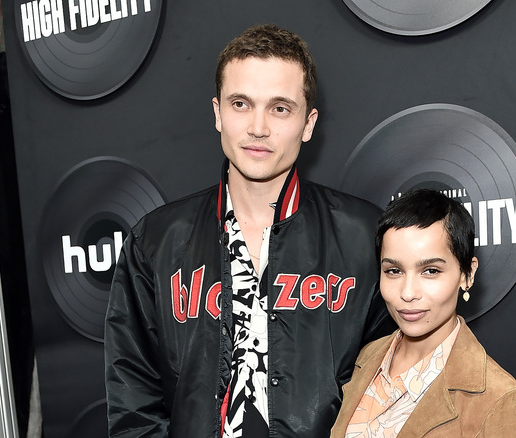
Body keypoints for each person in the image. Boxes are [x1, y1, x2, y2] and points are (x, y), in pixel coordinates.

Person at [104, 24, 394, 437]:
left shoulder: (366, 236)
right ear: (218, 113)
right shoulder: (155, 241)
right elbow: (134, 402)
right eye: (241, 104)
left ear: (308, 124)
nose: (258, 127)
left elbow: (395, 389)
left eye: (280, 108)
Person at [330, 189, 516, 437]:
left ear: (467, 274)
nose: (408, 292)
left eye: (431, 271)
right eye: (394, 271)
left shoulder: (499, 398)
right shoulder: (367, 357)